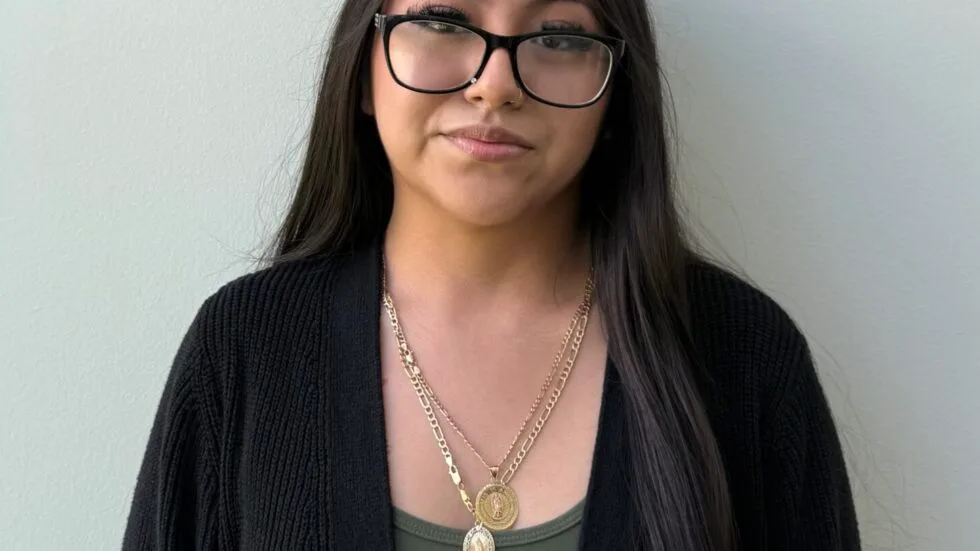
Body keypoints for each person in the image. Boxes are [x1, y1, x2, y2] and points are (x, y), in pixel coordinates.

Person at [122, 0, 860, 549]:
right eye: (443, 21)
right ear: (364, 68)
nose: (496, 84)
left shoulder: (745, 359)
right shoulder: (246, 349)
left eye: (558, 36)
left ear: (615, 94)